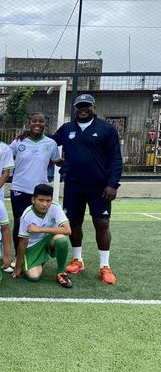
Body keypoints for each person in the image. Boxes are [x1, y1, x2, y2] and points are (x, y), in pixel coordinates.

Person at [52, 94, 122, 284]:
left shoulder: (106, 129)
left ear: (93, 107)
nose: (83, 109)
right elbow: (49, 141)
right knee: (74, 223)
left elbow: (116, 158)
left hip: (99, 187)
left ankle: (104, 266)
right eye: (79, 106)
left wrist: (112, 184)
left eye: (87, 106)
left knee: (102, 223)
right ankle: (77, 260)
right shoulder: (67, 128)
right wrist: (30, 133)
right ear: (75, 108)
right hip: (73, 185)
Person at [9, 113, 60, 255]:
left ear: (45, 125)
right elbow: (5, 156)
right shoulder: (18, 142)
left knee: (40, 223)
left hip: (40, 191)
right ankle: (18, 256)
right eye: (34, 121)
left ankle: (38, 254)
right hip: (19, 188)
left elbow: (58, 161)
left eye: (41, 121)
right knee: (19, 222)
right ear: (29, 123)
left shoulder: (51, 143)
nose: (37, 123)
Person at [12, 184, 73, 288]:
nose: (45, 204)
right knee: (33, 277)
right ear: (33, 200)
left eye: (48, 201)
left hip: (49, 240)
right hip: (33, 246)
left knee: (62, 240)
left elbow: (67, 230)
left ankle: (61, 273)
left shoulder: (55, 207)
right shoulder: (27, 215)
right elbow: (23, 242)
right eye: (41, 200)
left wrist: (40, 229)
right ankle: (37, 260)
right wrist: (17, 267)